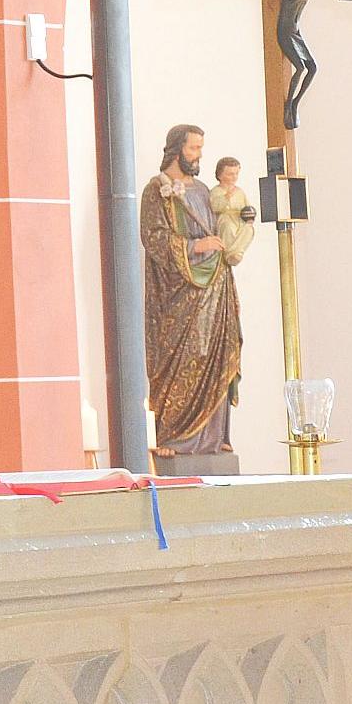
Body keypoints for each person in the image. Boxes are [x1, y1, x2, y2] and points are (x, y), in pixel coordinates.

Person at [141, 124, 242, 457]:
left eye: (200, 148)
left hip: (215, 287)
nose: (198, 156)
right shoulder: (156, 190)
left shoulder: (202, 190)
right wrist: (196, 246)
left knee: (215, 356)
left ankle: (213, 437)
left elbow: (221, 227)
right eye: (192, 149)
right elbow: (153, 238)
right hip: (179, 297)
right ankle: (173, 434)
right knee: (185, 358)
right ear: (175, 150)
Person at [209, 155, 255, 267]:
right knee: (228, 226)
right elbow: (214, 206)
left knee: (249, 230)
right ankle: (229, 253)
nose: (234, 177)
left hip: (239, 218)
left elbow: (247, 206)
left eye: (236, 173)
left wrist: (250, 216)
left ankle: (237, 252)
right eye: (230, 174)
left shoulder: (240, 192)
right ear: (220, 175)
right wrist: (226, 197)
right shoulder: (216, 191)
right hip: (225, 218)